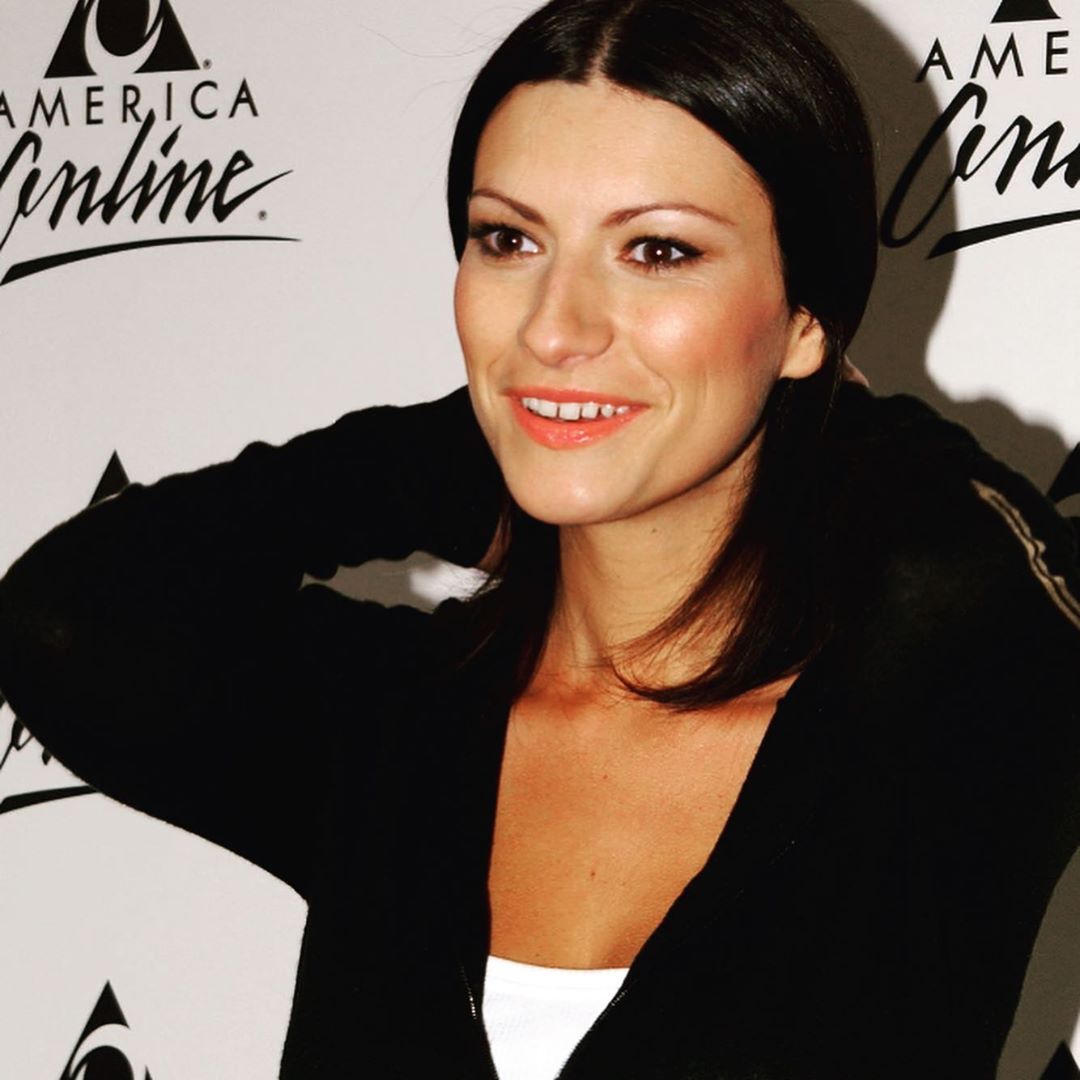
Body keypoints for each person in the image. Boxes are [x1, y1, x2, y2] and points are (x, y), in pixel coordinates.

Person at [1, 0, 1079, 1077]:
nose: (554, 327)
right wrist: (491, 438)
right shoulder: (398, 728)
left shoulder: (929, 737)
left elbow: (1000, 581)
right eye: (508, 240)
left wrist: (807, 424)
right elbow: (67, 619)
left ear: (805, 320)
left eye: (657, 250)